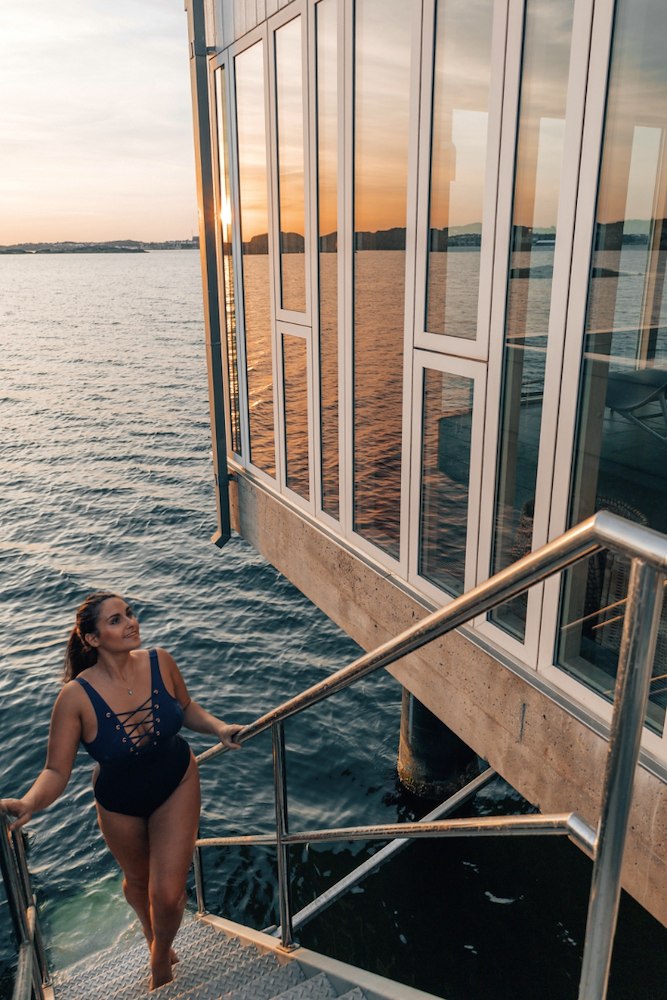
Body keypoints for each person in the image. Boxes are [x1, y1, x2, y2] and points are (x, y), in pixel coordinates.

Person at [0, 591, 244, 992]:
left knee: (168, 894)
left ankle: (160, 960)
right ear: (92, 638)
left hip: (177, 781)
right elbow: (56, 770)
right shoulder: (75, 697)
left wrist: (219, 727)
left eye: (129, 614)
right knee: (138, 879)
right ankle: (151, 933)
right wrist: (29, 802)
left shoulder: (161, 661)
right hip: (119, 804)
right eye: (116, 620)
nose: (131, 622)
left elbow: (185, 708)